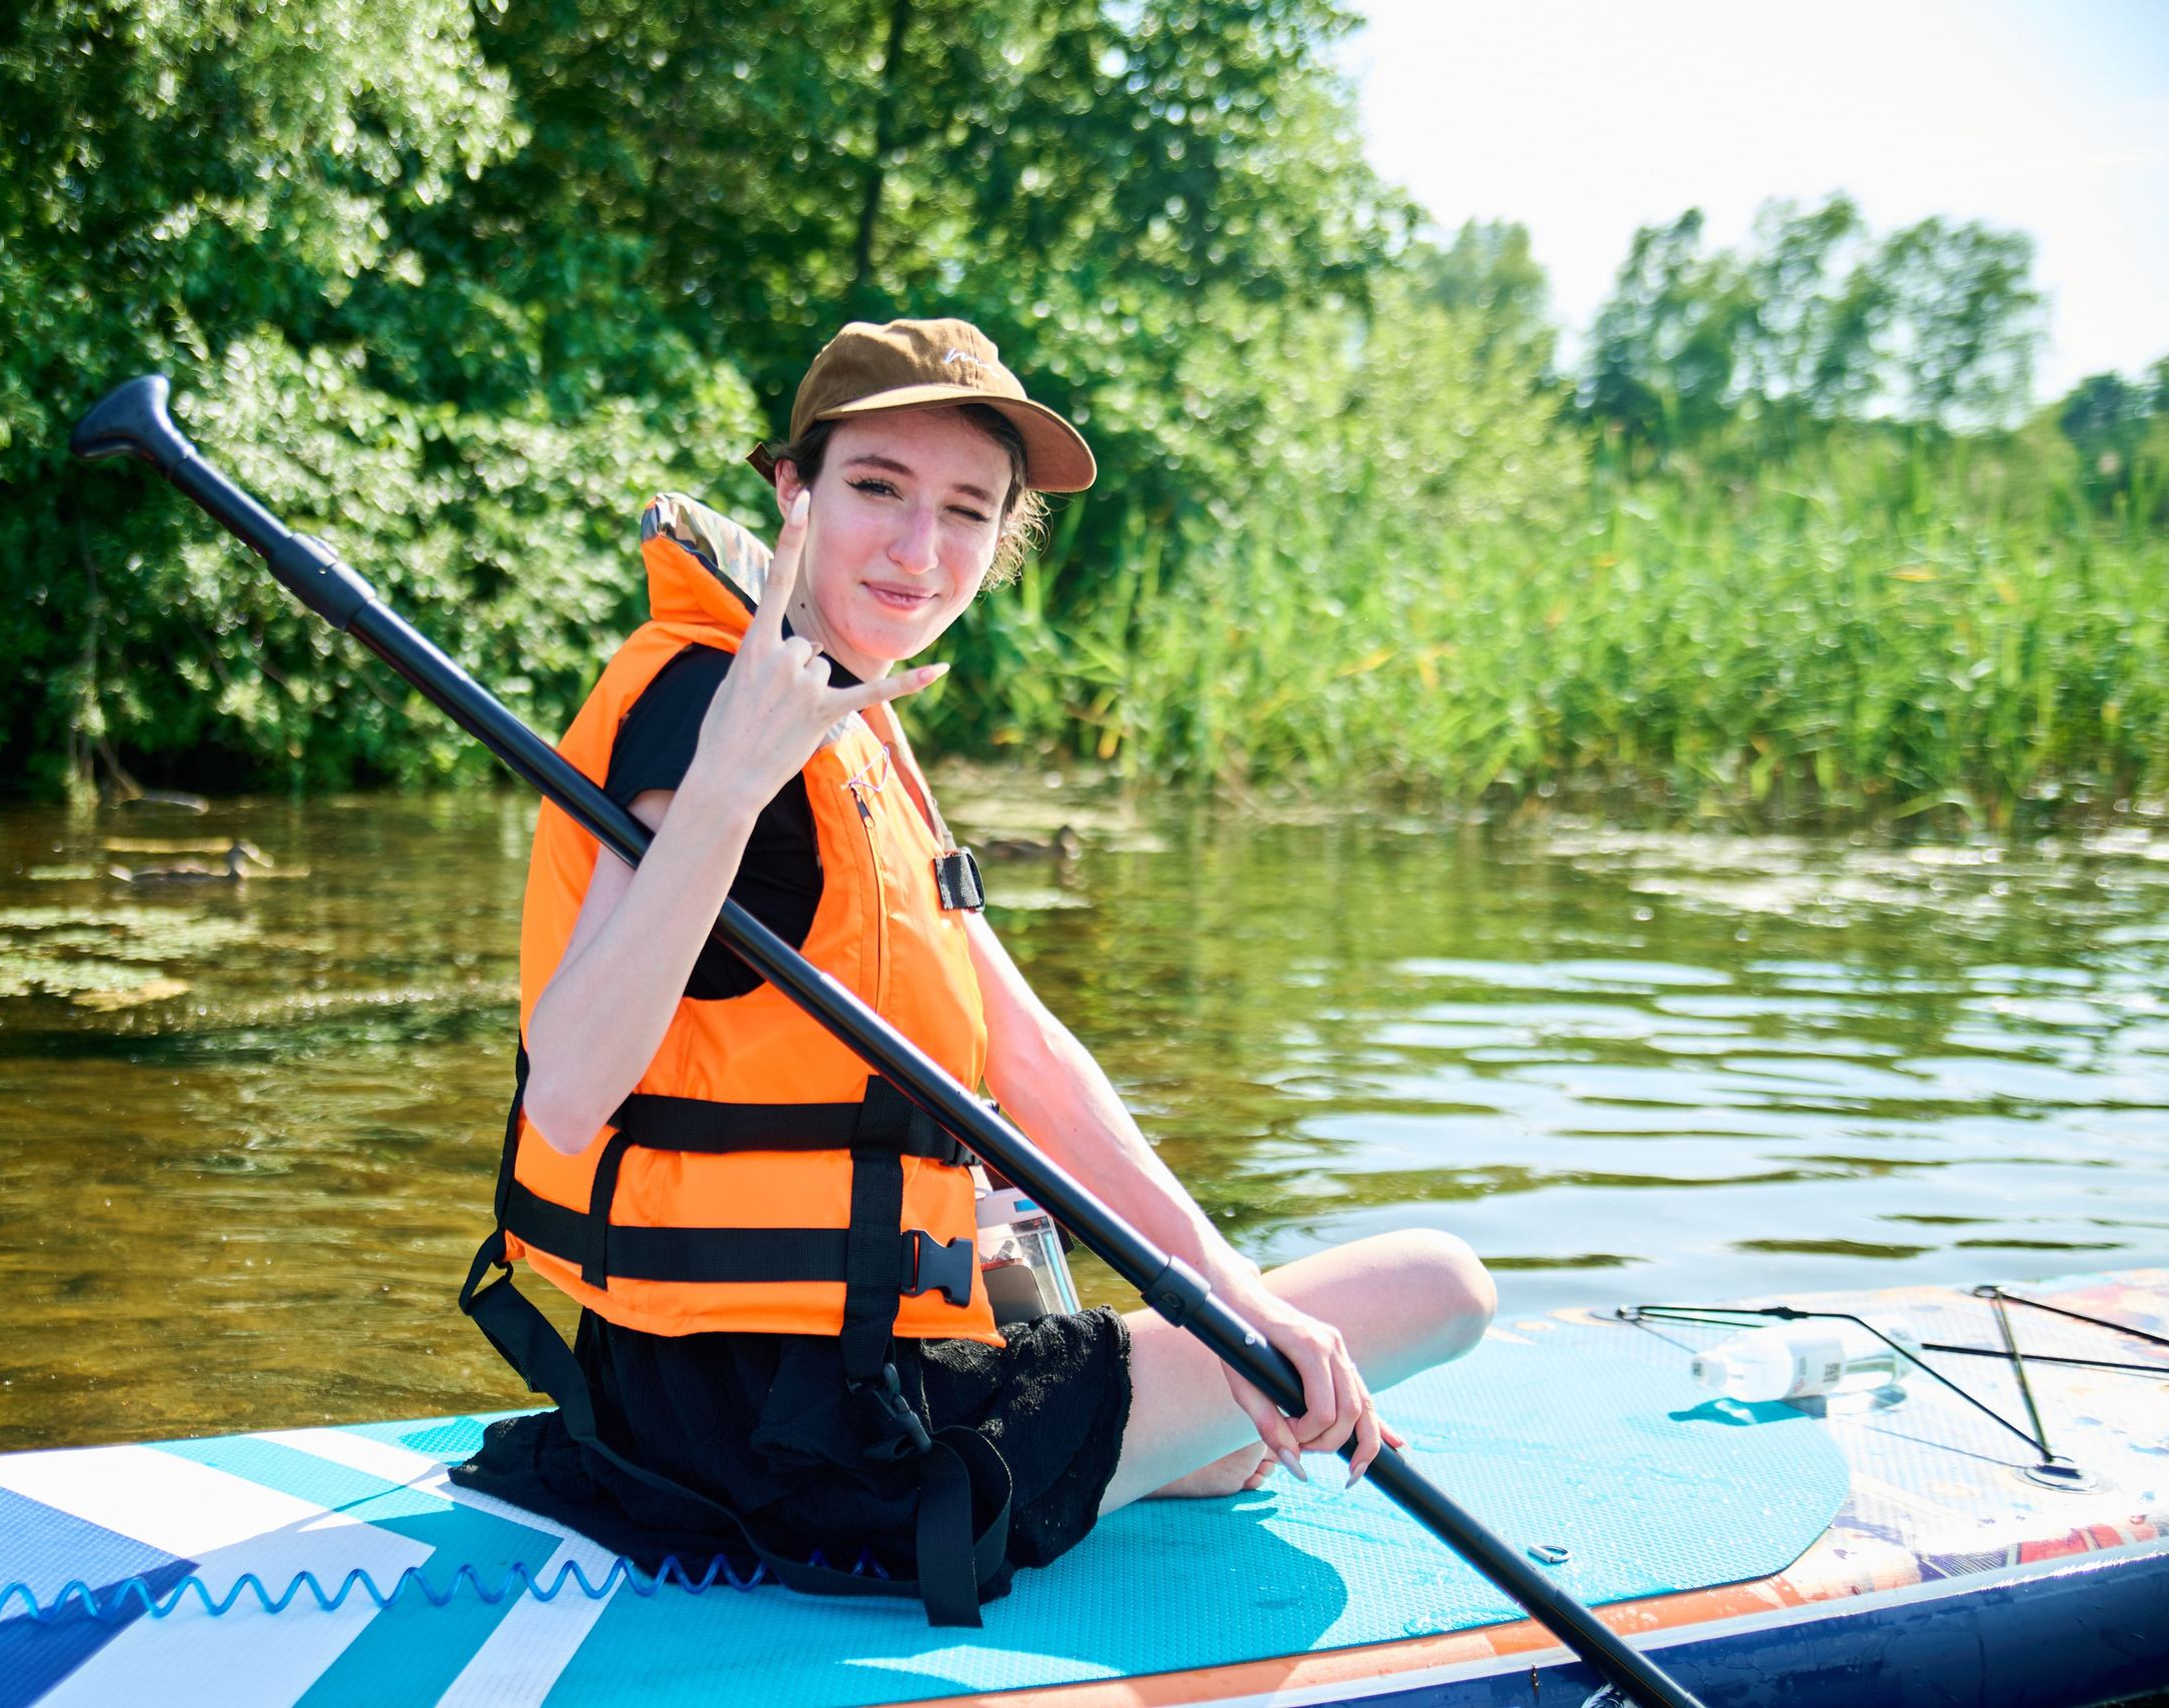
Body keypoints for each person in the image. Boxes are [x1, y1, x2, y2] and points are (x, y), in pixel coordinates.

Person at [452, 318, 1494, 1624]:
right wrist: (725, 786)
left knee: (1232, 1430)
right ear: (794, 493)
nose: (919, 549)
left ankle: (1172, 1418)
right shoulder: (712, 707)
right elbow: (565, 1094)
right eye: (878, 488)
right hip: (813, 1440)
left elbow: (1030, 1051)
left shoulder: (850, 723)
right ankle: (1151, 1428)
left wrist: (1222, 1294)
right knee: (1443, 1288)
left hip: (737, 1383)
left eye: (966, 511)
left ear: (1001, 538)